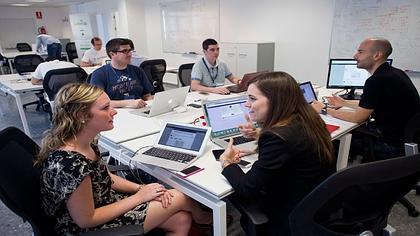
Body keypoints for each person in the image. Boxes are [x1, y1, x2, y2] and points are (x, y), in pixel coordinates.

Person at [36, 83, 211, 235]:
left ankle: (197, 217)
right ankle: (202, 217)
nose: (114, 112)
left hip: (104, 202)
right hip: (84, 227)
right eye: (105, 108)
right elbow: (86, 220)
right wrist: (139, 197)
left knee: (181, 219)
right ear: (81, 116)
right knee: (179, 197)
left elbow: (105, 178)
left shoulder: (84, 142)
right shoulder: (70, 164)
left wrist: (141, 188)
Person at [219, 72, 335, 235]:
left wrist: (227, 161)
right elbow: (294, 144)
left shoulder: (277, 137)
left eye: (252, 98)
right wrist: (259, 134)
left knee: (230, 193)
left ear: (276, 101)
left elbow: (247, 188)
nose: (246, 104)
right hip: (318, 206)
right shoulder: (309, 119)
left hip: (290, 215)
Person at [312, 38, 420, 160]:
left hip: (390, 144)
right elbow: (372, 104)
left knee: (330, 139)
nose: (355, 56)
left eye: (360, 52)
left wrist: (324, 110)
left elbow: (357, 118)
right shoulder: (395, 73)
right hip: (406, 138)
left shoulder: (376, 80)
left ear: (377, 55)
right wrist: (344, 102)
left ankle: (341, 175)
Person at [90, 38, 153, 108]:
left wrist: (150, 106)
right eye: (125, 51)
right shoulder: (99, 74)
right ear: (112, 54)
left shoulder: (138, 70)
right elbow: (98, 102)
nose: (129, 54)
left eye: (130, 50)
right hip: (114, 112)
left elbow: (147, 95)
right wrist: (127, 103)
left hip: (139, 109)